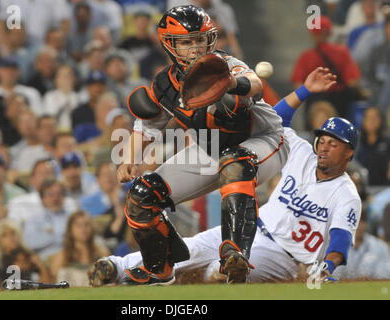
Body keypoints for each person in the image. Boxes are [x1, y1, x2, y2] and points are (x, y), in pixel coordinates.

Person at [89, 67, 362, 286]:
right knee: (191, 248)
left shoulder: (346, 194)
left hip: (283, 256)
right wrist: (304, 90)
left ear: (349, 153)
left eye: (333, 143)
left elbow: (339, 239)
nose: (324, 146)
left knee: (215, 274)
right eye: (323, 139)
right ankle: (115, 267)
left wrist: (327, 266)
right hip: (251, 229)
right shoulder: (302, 153)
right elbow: (277, 120)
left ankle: (167, 283)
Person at [114, 5, 289, 285]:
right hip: (210, 148)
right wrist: (129, 159)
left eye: (199, 39)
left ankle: (235, 256)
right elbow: (146, 126)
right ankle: (160, 267)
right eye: (186, 42)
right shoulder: (164, 83)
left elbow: (254, 83)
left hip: (265, 140)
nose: (195, 47)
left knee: (235, 162)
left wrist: (230, 83)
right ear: (169, 46)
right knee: (141, 195)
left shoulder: (222, 64)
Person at [291, 15, 362, 118]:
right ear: (329, 33)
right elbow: (353, 83)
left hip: (315, 102)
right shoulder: (342, 52)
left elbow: (298, 86)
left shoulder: (306, 56)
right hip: (340, 103)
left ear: (312, 34)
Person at [0, 220, 52, 287]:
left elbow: (47, 284)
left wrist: (41, 266)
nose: (11, 238)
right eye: (5, 235)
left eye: (13, 233)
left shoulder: (29, 257)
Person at [50, 210, 110, 285]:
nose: (83, 229)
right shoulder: (62, 256)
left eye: (86, 225)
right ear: (70, 229)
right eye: (78, 225)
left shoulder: (101, 252)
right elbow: (53, 281)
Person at [355, 106, 389, 186]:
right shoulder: (357, 143)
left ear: (381, 120)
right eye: (368, 117)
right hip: (362, 188)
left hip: (385, 188)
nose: (371, 121)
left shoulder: (387, 142)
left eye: (374, 117)